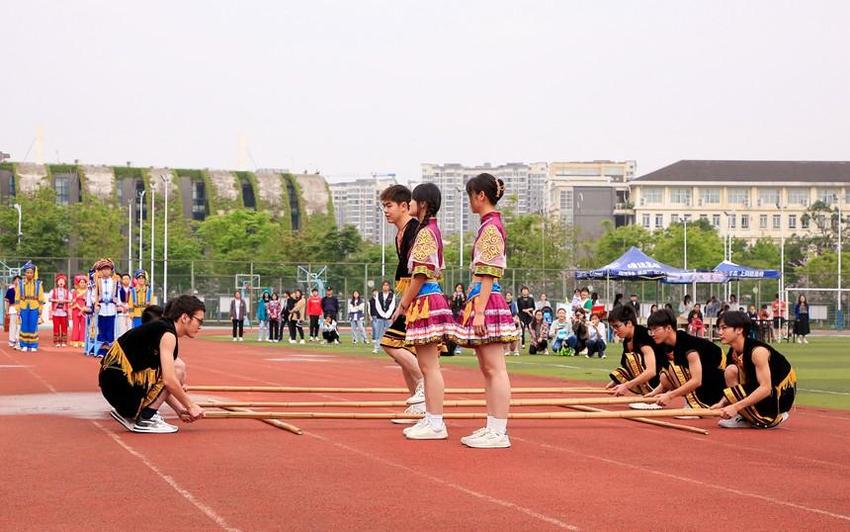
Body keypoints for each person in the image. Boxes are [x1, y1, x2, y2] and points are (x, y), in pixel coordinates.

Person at [451, 173, 518, 448]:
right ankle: (493, 425)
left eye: (470, 195)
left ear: (480, 196)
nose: (469, 201)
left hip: (487, 300)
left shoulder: (491, 227)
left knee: (495, 368)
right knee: (489, 369)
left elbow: (488, 271)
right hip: (482, 297)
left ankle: (499, 430)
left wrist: (479, 311)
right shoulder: (489, 225)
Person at [391, 183, 454, 440]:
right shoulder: (430, 231)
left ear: (423, 204)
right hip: (425, 299)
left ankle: (436, 422)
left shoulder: (427, 232)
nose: (411, 204)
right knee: (428, 366)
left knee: (429, 367)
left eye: (414, 201)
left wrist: (403, 304)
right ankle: (431, 417)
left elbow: (419, 273)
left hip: (426, 299)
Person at [99, 295, 205, 433]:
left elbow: (161, 384)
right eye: (199, 321)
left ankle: (142, 414)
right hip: (120, 385)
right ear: (185, 317)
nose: (200, 327)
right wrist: (191, 406)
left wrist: (179, 409)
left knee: (175, 367)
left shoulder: (161, 328)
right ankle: (146, 418)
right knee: (178, 368)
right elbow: (168, 381)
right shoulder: (168, 335)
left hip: (113, 383)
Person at [378, 184, 426, 422]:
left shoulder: (415, 230)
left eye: (389, 206)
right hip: (409, 296)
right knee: (405, 351)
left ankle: (425, 387)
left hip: (421, 299)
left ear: (405, 206)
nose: (385, 211)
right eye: (383, 206)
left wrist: (405, 304)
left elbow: (421, 272)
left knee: (389, 343)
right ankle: (418, 407)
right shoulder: (400, 233)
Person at [712, 311, 796, 429]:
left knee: (732, 371)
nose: (720, 332)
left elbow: (765, 388)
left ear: (739, 330)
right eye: (719, 328)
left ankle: (767, 418)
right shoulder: (733, 352)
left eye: (724, 328)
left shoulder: (757, 352)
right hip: (759, 387)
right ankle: (746, 416)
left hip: (780, 395)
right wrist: (722, 403)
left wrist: (735, 407)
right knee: (730, 370)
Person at [644, 309, 727, 409]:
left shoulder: (689, 347)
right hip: (703, 374)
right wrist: (654, 393)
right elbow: (666, 381)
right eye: (650, 330)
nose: (652, 333)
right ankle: (693, 400)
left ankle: (696, 405)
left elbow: (697, 380)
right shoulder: (666, 345)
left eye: (655, 329)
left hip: (717, 380)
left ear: (669, 328)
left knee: (675, 369)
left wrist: (669, 396)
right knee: (664, 376)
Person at [606, 304, 667, 397]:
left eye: (617, 326)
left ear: (629, 323)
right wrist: (615, 381)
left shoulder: (643, 336)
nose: (614, 330)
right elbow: (626, 368)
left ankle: (651, 392)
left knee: (633, 359)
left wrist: (626, 386)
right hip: (655, 377)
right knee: (621, 371)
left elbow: (651, 371)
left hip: (663, 377)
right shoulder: (627, 340)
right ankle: (646, 391)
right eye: (612, 327)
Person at [91, 258, 119, 355]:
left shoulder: (115, 281)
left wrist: (117, 304)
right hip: (101, 308)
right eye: (104, 269)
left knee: (110, 329)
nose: (106, 271)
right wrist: (95, 302)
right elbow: (93, 295)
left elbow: (117, 295)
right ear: (101, 271)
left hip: (111, 308)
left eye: (108, 269)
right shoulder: (97, 281)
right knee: (101, 328)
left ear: (111, 271)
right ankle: (102, 349)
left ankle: (110, 350)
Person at [15, 261, 44, 352]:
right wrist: (17, 308)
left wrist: (40, 309)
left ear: (33, 273)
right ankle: (23, 344)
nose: (29, 274)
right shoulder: (20, 284)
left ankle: (33, 345)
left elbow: (41, 298)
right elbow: (17, 297)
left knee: (33, 326)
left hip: (34, 306)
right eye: (27, 272)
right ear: (25, 273)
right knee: (24, 326)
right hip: (23, 306)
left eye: (31, 272)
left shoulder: (38, 284)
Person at [372, 281, 395, 354]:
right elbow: (377, 305)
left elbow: (392, 306)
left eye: (387, 285)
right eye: (384, 285)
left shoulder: (392, 295)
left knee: (389, 333)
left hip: (388, 317)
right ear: (382, 286)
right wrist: (382, 314)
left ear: (389, 287)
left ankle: (389, 347)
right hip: (379, 317)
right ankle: (377, 347)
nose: (385, 287)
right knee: (379, 332)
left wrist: (387, 315)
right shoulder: (378, 295)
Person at [50, 273, 72, 347]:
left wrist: (64, 301)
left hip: (64, 312)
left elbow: (70, 300)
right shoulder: (53, 291)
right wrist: (56, 300)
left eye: (62, 281)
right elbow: (49, 299)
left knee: (64, 327)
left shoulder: (67, 291)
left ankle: (63, 341)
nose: (61, 282)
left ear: (65, 283)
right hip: (56, 312)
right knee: (56, 327)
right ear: (57, 282)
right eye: (59, 281)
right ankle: (56, 341)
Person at [69, 275, 88, 348]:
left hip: (84, 311)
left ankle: (82, 340)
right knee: (76, 326)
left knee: (83, 326)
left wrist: (84, 309)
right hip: (76, 310)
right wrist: (79, 308)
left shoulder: (87, 292)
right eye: (81, 282)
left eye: (84, 282)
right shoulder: (74, 292)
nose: (82, 284)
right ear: (78, 283)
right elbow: (73, 302)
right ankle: (75, 340)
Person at [449, 283, 467, 355]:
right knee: (453, 331)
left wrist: (463, 298)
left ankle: (459, 347)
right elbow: (451, 305)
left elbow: (465, 305)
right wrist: (454, 297)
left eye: (461, 288)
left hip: (461, 314)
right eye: (458, 288)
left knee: (460, 330)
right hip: (454, 314)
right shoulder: (453, 296)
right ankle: (452, 347)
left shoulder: (464, 296)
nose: (459, 289)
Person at [115, 273, 133, 338]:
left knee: (130, 328)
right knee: (121, 329)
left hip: (130, 310)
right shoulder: (118, 289)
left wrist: (128, 307)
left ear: (130, 280)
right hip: (121, 310)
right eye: (124, 279)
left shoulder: (133, 289)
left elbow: (134, 301)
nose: (126, 280)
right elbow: (117, 300)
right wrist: (123, 306)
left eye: (127, 279)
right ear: (122, 280)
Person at [5, 276, 20, 348]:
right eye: (16, 280)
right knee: (12, 326)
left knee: (19, 326)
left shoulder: (23, 290)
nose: (18, 281)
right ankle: (11, 341)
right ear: (13, 281)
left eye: (19, 280)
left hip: (21, 309)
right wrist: (7, 310)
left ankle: (18, 340)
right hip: (13, 309)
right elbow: (7, 301)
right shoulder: (10, 290)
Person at [504, 291, 520, 356]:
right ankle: (507, 351)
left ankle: (516, 350)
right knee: (507, 336)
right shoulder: (503, 303)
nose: (508, 297)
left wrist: (515, 319)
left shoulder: (514, 304)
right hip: (505, 322)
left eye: (509, 295)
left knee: (516, 335)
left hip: (513, 322)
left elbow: (515, 314)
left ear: (511, 296)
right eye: (507, 295)